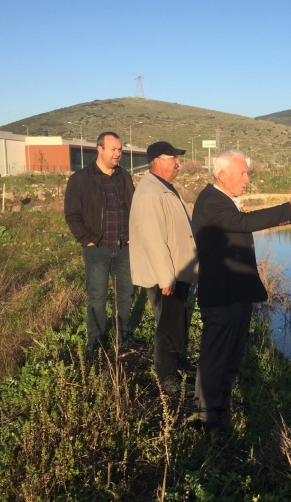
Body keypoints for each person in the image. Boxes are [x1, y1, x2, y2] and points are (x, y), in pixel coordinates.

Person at [192, 149, 291, 429]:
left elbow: (239, 225)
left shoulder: (222, 199)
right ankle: (206, 417)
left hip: (236, 292)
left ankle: (221, 405)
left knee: (232, 353)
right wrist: (288, 209)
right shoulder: (211, 201)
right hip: (222, 293)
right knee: (215, 356)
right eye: (243, 173)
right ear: (223, 176)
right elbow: (242, 223)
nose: (248, 179)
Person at [129, 142, 198, 394]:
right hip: (166, 276)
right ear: (157, 160)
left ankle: (175, 366)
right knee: (167, 327)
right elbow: (153, 238)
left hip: (177, 271)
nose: (178, 163)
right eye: (173, 158)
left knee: (176, 323)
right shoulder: (150, 192)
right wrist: (166, 277)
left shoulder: (163, 188)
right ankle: (167, 379)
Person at [64, 131, 138, 356]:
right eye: (113, 149)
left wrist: (133, 233)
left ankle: (123, 336)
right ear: (100, 149)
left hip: (124, 247)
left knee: (125, 294)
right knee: (97, 296)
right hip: (97, 249)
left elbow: (132, 206)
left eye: (120, 149)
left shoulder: (124, 176)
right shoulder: (81, 179)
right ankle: (95, 344)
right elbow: (72, 214)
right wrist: (86, 241)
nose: (118, 153)